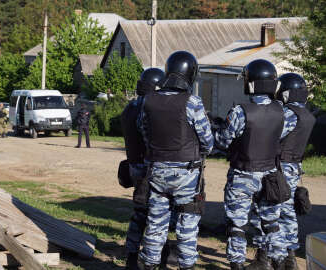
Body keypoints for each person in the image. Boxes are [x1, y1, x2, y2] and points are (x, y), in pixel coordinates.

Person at [138, 51, 214, 270]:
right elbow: (207, 141)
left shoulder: (149, 100)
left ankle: (150, 263)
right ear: (190, 74)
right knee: (187, 223)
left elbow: (144, 132)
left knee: (156, 223)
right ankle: (186, 266)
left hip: (157, 170)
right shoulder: (192, 102)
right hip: (186, 173)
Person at [214, 59, 293, 270]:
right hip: (270, 176)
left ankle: (238, 265)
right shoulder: (283, 112)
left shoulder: (241, 111)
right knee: (271, 224)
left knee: (237, 225)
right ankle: (280, 262)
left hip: (243, 175)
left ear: (251, 83)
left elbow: (222, 141)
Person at [250, 73, 315, 270]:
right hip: (293, 168)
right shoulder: (308, 115)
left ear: (286, 93)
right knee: (288, 213)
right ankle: (290, 259)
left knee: (266, 211)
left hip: (278, 169)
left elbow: (271, 134)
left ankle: (264, 259)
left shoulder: (288, 114)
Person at [121, 68, 165, 270]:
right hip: (148, 167)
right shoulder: (148, 108)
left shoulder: (130, 107)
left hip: (134, 165)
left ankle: (131, 255)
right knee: (157, 216)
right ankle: (157, 256)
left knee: (139, 213)